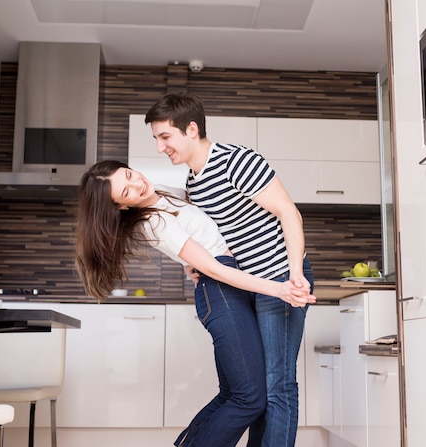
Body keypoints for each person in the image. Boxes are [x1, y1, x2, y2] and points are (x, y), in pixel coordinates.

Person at [75, 160, 315, 447]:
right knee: (249, 399)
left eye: (130, 175)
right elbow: (213, 268)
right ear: (121, 207)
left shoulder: (161, 192)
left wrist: (188, 263)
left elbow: (199, 228)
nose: (137, 184)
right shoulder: (153, 221)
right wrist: (279, 289)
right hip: (221, 290)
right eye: (127, 192)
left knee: (234, 394)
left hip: (226, 286)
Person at [145, 93, 315, 447]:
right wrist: (193, 265)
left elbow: (289, 213)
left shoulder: (236, 161)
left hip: (280, 276)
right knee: (258, 390)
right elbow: (207, 234)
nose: (161, 148)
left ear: (191, 129)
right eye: (157, 140)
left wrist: (295, 272)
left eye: (165, 137)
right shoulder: (194, 182)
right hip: (248, 285)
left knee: (277, 385)